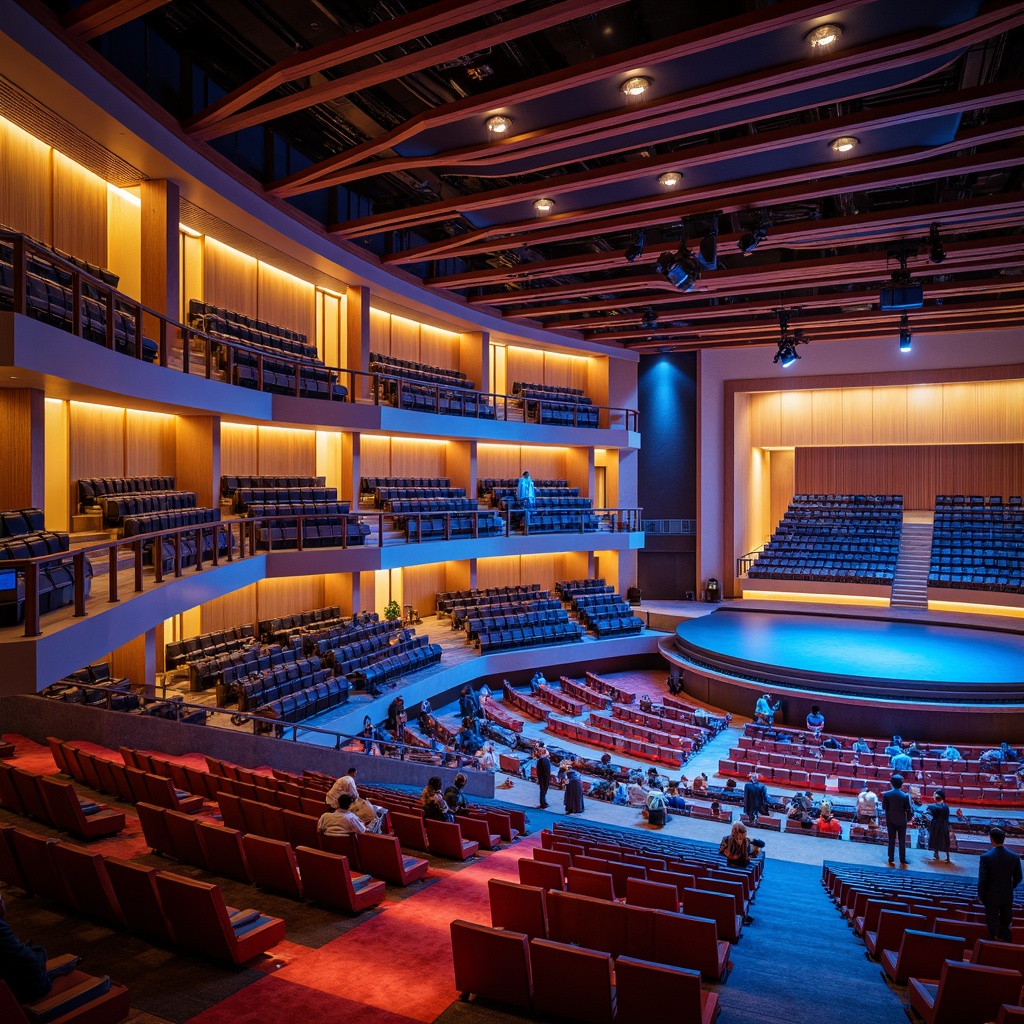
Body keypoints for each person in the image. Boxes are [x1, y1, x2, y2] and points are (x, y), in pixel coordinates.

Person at [979, 827, 1023, 942]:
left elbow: (983, 879)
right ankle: (1005, 944)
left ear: (991, 839)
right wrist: (1010, 887)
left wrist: (981, 896)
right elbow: (1019, 877)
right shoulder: (1014, 857)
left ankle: (993, 941)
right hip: (1006, 895)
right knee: (1005, 922)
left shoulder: (985, 857)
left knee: (992, 922)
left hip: (990, 895)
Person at [881, 774, 913, 867]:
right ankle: (902, 859)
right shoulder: (905, 796)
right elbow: (908, 809)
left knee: (891, 839)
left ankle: (891, 857)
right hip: (902, 820)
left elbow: (884, 807)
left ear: (891, 783)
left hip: (890, 820)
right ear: (902, 784)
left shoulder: (886, 795)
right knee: (902, 840)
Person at [925, 788, 953, 864]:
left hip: (936, 824)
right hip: (944, 824)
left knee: (935, 838)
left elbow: (928, 813)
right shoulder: (946, 806)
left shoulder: (933, 806)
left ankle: (936, 854)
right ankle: (947, 856)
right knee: (945, 840)